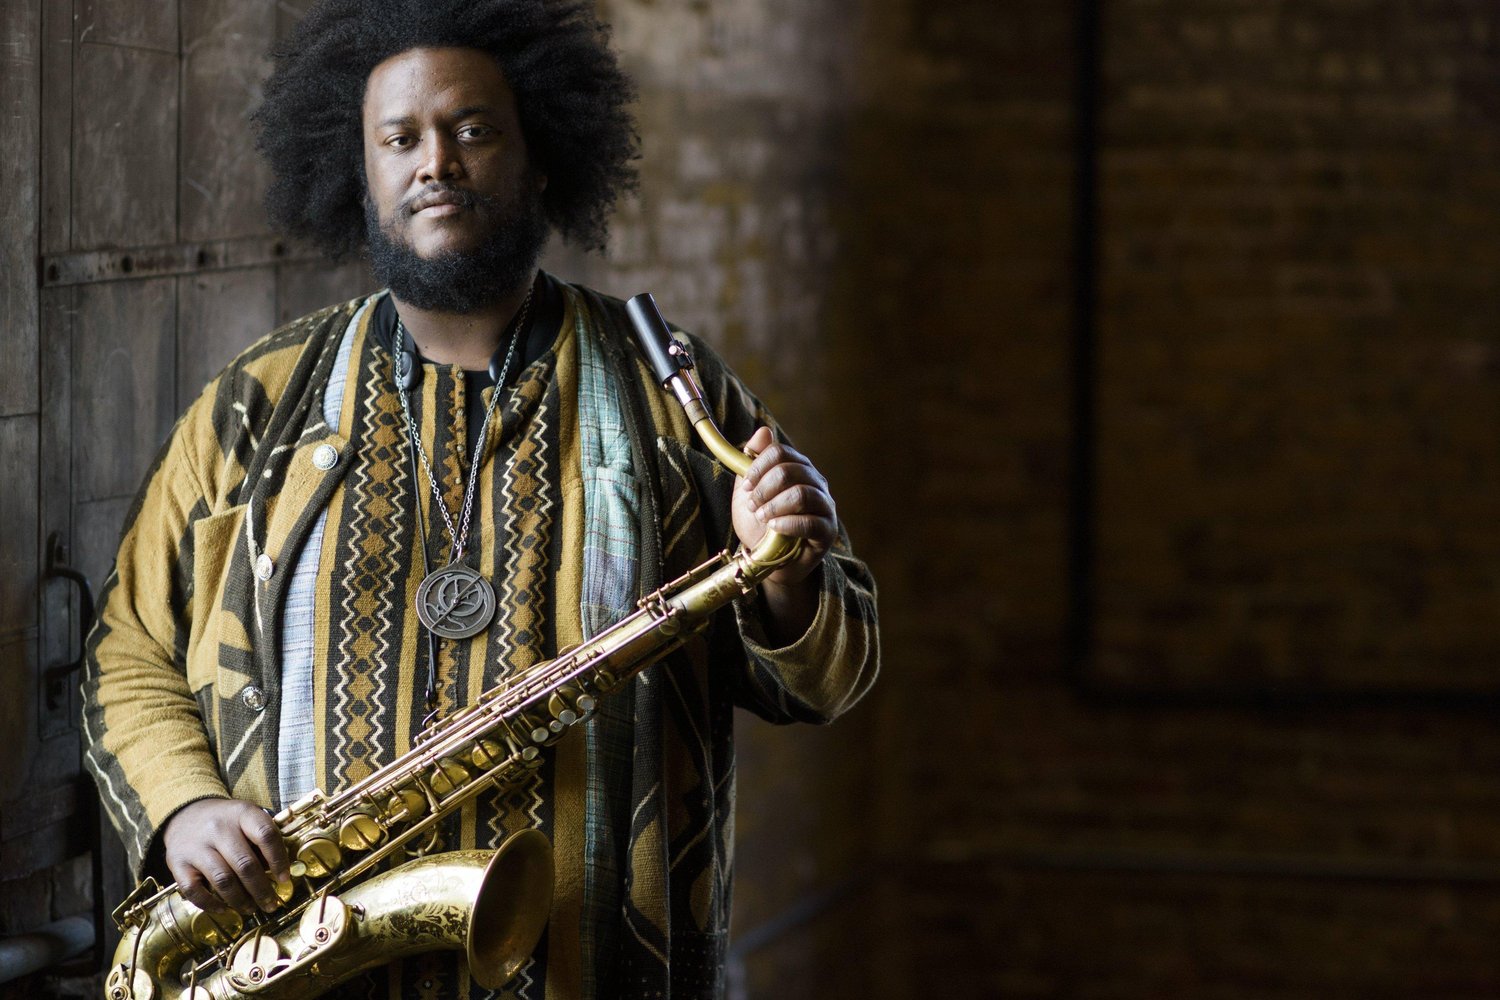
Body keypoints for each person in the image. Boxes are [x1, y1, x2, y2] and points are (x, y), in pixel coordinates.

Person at [80, 0, 879, 997]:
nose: (436, 164)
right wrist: (185, 805)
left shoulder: (669, 389)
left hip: (597, 969)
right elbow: (129, 645)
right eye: (399, 139)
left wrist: (788, 575)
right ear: (361, 173)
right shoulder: (257, 402)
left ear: (538, 156)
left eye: (473, 129)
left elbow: (830, 679)